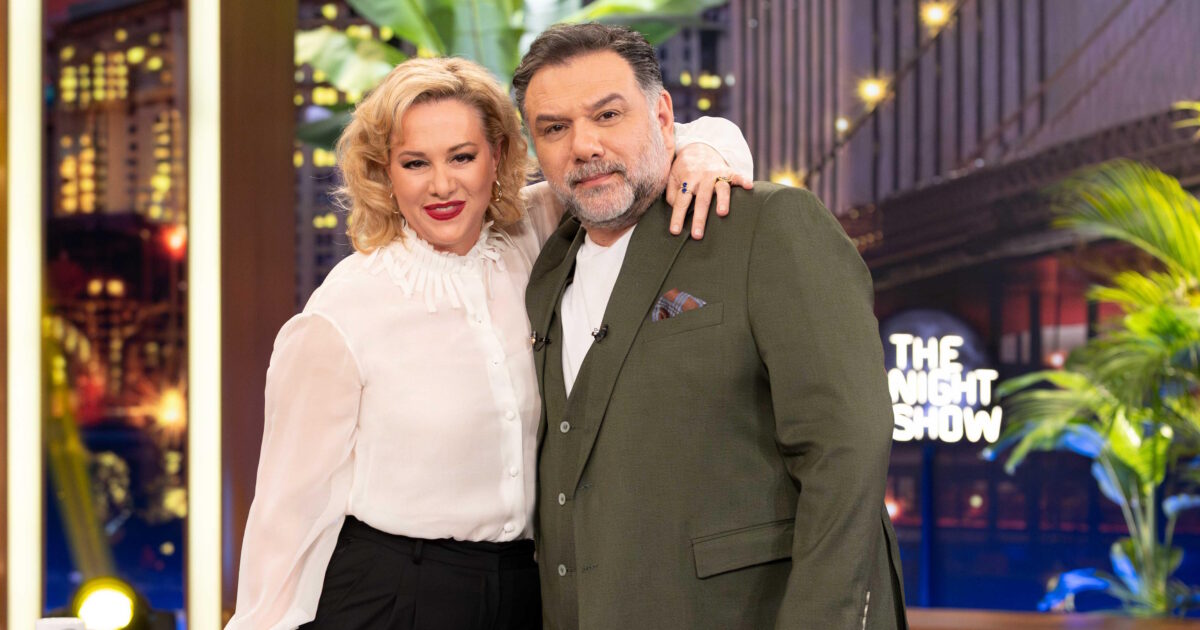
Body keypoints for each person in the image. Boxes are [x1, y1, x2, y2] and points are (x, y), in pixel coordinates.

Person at [224, 55, 753, 630]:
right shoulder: (341, 312)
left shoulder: (535, 233)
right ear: (384, 172)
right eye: (415, 162)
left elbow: (670, 142)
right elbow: (287, 515)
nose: (442, 185)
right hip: (393, 596)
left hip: (527, 590)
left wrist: (703, 156)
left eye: (462, 157)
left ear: (497, 156)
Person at [513, 24, 908, 629]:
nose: (584, 145)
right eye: (554, 128)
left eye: (608, 115)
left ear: (663, 115)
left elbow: (845, 449)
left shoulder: (767, 224)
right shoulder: (546, 269)